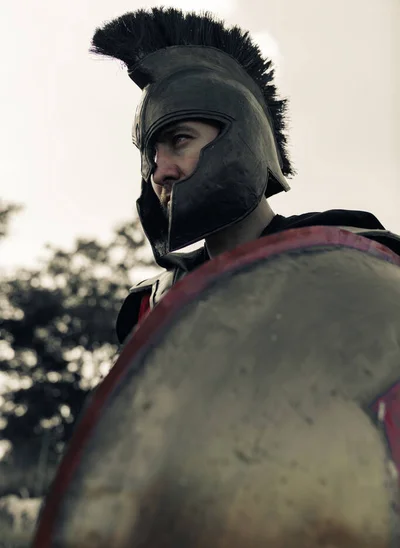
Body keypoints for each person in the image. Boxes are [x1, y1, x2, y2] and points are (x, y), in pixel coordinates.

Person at [91, 7, 399, 345]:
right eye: (151, 156)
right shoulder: (150, 308)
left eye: (180, 140)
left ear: (243, 137)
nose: (160, 171)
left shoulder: (345, 255)